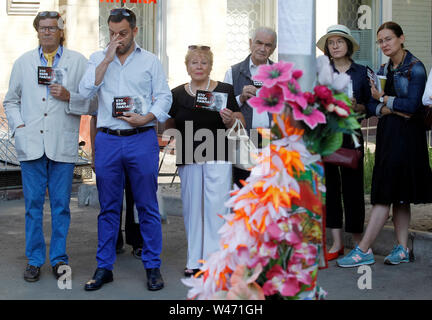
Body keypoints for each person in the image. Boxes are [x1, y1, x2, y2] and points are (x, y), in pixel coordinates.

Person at [79, 8, 172, 291]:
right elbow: (85, 92)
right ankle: (104, 267)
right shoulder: (98, 58)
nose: (116, 38)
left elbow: (164, 96)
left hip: (141, 137)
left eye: (122, 33)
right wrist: (106, 60)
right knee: (107, 207)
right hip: (107, 138)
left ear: (134, 31)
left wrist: (148, 117)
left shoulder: (150, 61)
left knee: (147, 206)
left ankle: (153, 266)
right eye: (111, 33)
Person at [3, 11, 94, 282]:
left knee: (61, 206)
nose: (47, 32)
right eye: (42, 28)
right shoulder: (23, 63)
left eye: (52, 28)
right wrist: (19, 127)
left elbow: (91, 103)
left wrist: (70, 97)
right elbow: (11, 100)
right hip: (31, 144)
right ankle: (34, 259)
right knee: (32, 205)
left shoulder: (78, 62)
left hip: (61, 145)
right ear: (37, 31)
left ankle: (58, 259)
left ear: (60, 31)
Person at [337, 21, 432, 268]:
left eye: (388, 39)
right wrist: (386, 107)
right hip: (388, 134)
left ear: (401, 38)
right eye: (380, 41)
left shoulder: (415, 67)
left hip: (408, 139)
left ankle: (363, 249)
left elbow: (413, 108)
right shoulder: (381, 69)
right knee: (399, 195)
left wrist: (385, 99)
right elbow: (370, 105)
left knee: (385, 194)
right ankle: (401, 248)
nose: (384, 44)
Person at [165, 45, 245, 277]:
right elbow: (169, 121)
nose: (199, 67)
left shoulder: (225, 90)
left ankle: (215, 262)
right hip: (189, 154)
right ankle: (194, 262)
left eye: (204, 63)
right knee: (192, 209)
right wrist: (171, 139)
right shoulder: (177, 93)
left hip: (218, 152)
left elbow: (240, 120)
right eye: (194, 63)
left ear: (210, 66)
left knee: (216, 208)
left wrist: (231, 119)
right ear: (187, 66)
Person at [316, 24, 371, 261]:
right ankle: (336, 243)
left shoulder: (361, 72)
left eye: (339, 41)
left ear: (348, 45)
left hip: (352, 133)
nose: (335, 46)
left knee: (354, 189)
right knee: (331, 188)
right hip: (328, 133)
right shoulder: (320, 70)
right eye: (331, 42)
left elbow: (369, 106)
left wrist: (356, 105)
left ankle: (358, 242)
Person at [224, 27, 277, 187]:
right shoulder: (233, 72)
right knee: (243, 188)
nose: (262, 48)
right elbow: (224, 108)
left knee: (268, 188)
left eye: (268, 45)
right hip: (244, 138)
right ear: (250, 43)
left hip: (270, 137)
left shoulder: (279, 74)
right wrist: (241, 97)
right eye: (259, 43)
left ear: (273, 49)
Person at [90, 115, 143, 259]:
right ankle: (113, 240)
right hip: (109, 147)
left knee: (137, 198)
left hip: (136, 147)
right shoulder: (102, 92)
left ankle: (138, 242)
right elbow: (95, 119)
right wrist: (94, 155)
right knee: (110, 199)